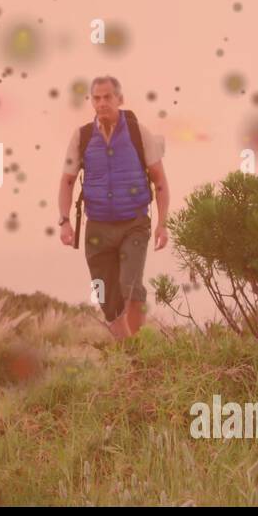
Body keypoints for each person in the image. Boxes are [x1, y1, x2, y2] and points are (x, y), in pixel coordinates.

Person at [57, 76, 169, 339]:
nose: (102, 103)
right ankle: (130, 354)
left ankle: (139, 351)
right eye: (96, 98)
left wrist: (162, 223)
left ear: (120, 99)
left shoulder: (138, 133)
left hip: (134, 223)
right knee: (107, 300)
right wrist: (64, 221)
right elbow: (67, 181)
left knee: (130, 286)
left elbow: (160, 182)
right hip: (97, 227)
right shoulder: (82, 136)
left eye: (108, 97)